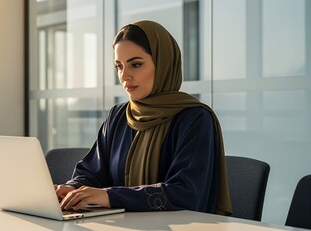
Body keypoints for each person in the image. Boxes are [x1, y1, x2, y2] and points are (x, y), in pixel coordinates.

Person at [55, 20, 233, 215]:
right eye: (119, 66)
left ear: (163, 63)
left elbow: (186, 193)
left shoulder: (195, 119)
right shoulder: (119, 116)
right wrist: (73, 189)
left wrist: (110, 196)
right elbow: (92, 172)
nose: (124, 76)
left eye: (136, 65)